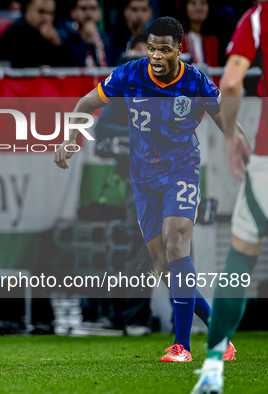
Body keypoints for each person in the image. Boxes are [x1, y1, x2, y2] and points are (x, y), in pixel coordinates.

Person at [54, 16, 241, 363]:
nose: (156, 55)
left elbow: (227, 121)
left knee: (176, 243)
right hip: (143, 181)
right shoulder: (130, 74)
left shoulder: (197, 82)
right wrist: (69, 139)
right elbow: (86, 104)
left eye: (164, 49)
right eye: (152, 48)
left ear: (179, 50)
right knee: (164, 264)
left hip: (181, 172)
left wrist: (241, 149)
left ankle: (181, 346)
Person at [192, 1, 267, 392]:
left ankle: (213, 365)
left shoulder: (257, 17)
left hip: (267, 160)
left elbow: (233, 81)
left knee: (240, 259)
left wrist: (233, 135)